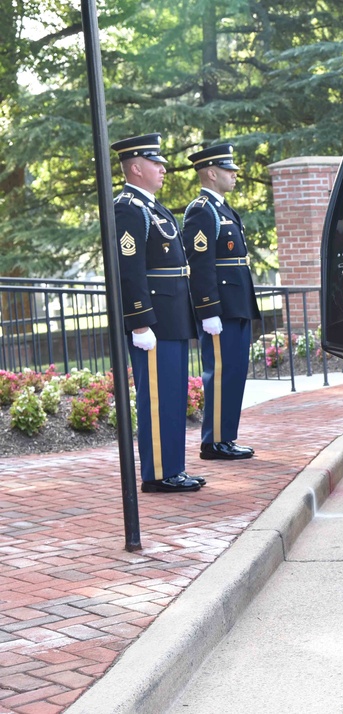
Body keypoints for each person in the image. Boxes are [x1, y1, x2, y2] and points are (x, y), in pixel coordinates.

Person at [110, 133, 202, 493]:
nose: (163, 168)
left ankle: (173, 468)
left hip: (173, 317)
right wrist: (139, 321)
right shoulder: (128, 208)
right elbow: (128, 269)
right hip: (154, 321)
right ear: (136, 167)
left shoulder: (153, 207)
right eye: (155, 162)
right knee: (158, 397)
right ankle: (159, 473)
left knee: (174, 395)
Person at [182, 143, 260, 461]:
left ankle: (226, 437)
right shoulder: (202, 210)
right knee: (220, 372)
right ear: (212, 173)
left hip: (236, 304)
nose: (235, 175)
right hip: (221, 310)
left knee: (235, 372)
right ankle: (213, 442)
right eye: (229, 171)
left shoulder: (224, 209)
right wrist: (208, 309)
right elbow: (200, 265)